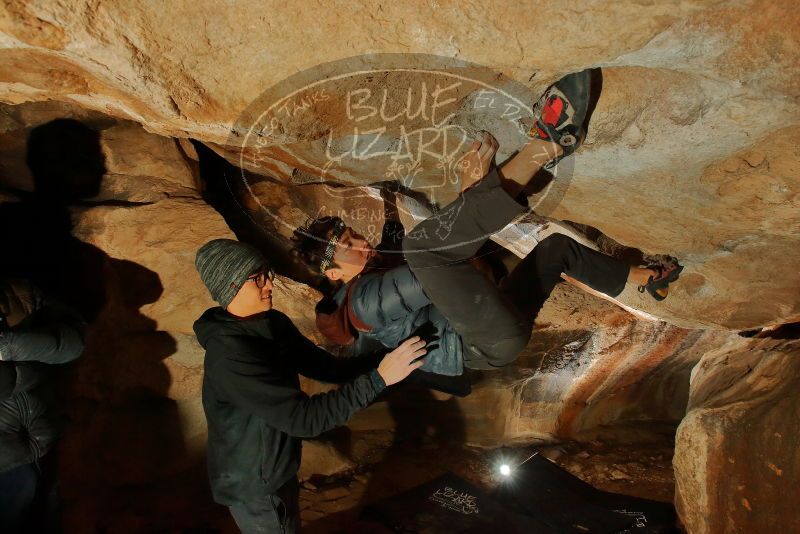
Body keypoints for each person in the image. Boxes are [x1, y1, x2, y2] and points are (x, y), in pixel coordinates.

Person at [293, 70, 682, 379]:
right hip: (482, 341)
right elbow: (436, 267)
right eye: (348, 243)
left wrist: (395, 197)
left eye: (353, 232)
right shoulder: (363, 303)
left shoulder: (371, 279)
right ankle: (549, 143)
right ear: (332, 272)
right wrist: (469, 192)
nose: (361, 240)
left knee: (554, 251)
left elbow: (432, 260)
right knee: (423, 249)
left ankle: (647, 278)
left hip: (492, 327)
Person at [193, 239, 427, 534]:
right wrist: (380, 378)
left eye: (268, 274)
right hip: (252, 484)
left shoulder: (271, 324)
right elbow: (304, 419)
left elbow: (328, 368)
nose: (269, 285)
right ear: (230, 286)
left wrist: (391, 357)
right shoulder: (229, 357)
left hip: (277, 465)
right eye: (258, 279)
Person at [0, 277, 85, 533]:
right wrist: (33, 361)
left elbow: (74, 342)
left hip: (44, 448)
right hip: (6, 466)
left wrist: (9, 347)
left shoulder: (19, 291)